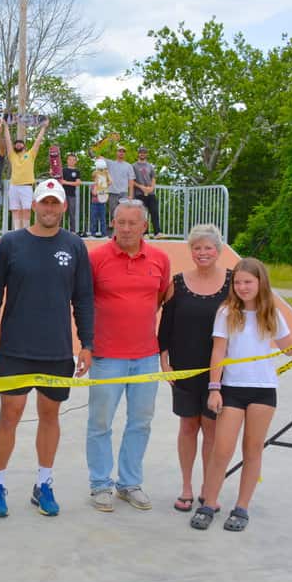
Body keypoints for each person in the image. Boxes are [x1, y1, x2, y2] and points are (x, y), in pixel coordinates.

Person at [191, 258, 292, 532]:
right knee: (222, 450)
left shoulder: (271, 314)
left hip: (263, 391)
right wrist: (214, 388)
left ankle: (242, 507)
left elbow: (289, 349)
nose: (243, 287)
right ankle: (209, 502)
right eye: (238, 282)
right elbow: (218, 352)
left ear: (260, 283)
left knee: (253, 449)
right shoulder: (226, 313)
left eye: (248, 282)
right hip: (232, 390)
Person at [0, 179, 94, 518]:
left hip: (57, 351)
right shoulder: (11, 243)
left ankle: (44, 483)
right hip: (16, 348)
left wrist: (87, 344)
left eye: (54, 203)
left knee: (50, 416)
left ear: (63, 207)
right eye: (43, 202)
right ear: (33, 206)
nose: (48, 208)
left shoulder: (74, 246)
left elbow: (83, 298)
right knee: (9, 417)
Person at [86, 199, 170, 512]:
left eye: (132, 223)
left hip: (146, 356)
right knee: (100, 423)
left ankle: (129, 483)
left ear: (144, 226)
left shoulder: (160, 259)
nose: (125, 228)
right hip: (107, 357)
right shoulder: (96, 259)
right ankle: (100, 484)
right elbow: (83, 302)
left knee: (140, 423)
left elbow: (161, 297)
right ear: (113, 223)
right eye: (120, 222)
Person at [157, 224, 231, 512]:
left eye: (208, 247)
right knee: (188, 426)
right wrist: (163, 356)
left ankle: (207, 488)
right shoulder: (177, 282)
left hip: (220, 370)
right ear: (191, 251)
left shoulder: (233, 282)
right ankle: (187, 487)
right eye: (197, 248)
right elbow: (167, 323)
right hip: (184, 366)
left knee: (212, 430)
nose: (202, 253)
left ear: (218, 250)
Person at [1, 119, 49, 230]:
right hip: (14, 186)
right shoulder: (12, 155)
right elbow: (8, 142)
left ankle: (26, 230)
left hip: (26, 186)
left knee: (27, 209)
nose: (18, 145)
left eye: (20, 143)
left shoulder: (30, 154)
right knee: (15, 210)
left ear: (24, 146)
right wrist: (6, 126)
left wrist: (43, 127)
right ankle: (18, 231)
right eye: (16, 144)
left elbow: (38, 141)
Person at [103, 146, 134, 231]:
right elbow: (99, 158)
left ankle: (122, 231)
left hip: (123, 193)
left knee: (123, 213)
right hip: (112, 192)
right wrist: (98, 147)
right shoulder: (110, 163)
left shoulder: (128, 166)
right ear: (116, 152)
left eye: (123, 151)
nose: (121, 153)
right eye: (120, 151)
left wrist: (131, 195)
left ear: (125, 154)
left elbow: (131, 181)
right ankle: (113, 233)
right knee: (113, 213)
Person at [131, 146, 161, 237]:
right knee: (142, 214)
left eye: (144, 152)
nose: (142, 154)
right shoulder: (134, 166)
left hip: (150, 193)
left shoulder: (150, 166)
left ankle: (157, 232)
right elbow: (131, 180)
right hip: (139, 193)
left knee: (154, 212)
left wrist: (152, 187)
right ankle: (145, 233)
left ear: (146, 154)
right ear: (138, 154)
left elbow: (153, 178)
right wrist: (141, 187)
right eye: (141, 152)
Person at [61, 152, 82, 235]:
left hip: (72, 195)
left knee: (72, 214)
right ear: (67, 160)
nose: (71, 161)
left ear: (76, 161)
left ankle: (73, 232)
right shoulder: (63, 170)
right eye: (70, 159)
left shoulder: (77, 171)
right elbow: (58, 180)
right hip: (62, 195)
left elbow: (78, 183)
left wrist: (65, 182)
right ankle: (58, 231)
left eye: (73, 160)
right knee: (60, 213)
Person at [89, 159, 111, 238]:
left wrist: (107, 173)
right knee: (93, 219)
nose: (97, 179)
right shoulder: (93, 185)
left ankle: (104, 234)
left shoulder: (104, 185)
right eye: (96, 178)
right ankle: (92, 233)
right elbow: (94, 193)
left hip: (102, 203)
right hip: (94, 204)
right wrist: (96, 185)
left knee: (103, 219)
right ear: (93, 179)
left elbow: (110, 182)